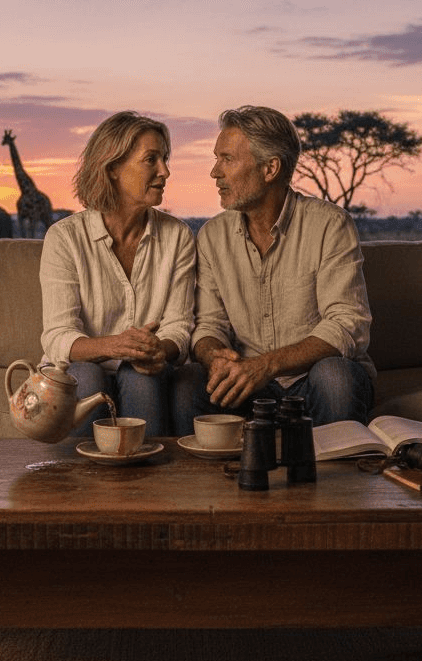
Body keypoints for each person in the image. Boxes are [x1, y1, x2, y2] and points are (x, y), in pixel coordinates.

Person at [174, 105, 375, 430]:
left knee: (337, 376)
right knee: (187, 381)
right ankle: (202, 480)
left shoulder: (330, 225)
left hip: (313, 378)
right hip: (246, 385)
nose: (215, 172)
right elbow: (209, 323)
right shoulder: (212, 236)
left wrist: (266, 365)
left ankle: (338, 477)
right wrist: (213, 355)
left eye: (227, 159)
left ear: (270, 169)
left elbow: (347, 323)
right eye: (216, 158)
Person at [39, 111, 196, 437]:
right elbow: (58, 337)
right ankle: (79, 484)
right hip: (81, 368)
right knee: (87, 375)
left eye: (164, 159)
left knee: (140, 376)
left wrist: (158, 351)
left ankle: (147, 484)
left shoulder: (178, 236)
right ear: (112, 169)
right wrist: (117, 346)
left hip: (146, 370)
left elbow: (179, 328)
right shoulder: (65, 237)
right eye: (151, 160)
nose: (165, 172)